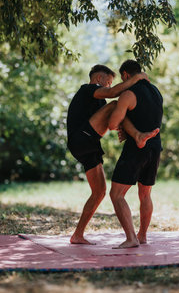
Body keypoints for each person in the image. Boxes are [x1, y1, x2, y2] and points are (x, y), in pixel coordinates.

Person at [67, 64, 159, 245]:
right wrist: (137, 78)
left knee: (99, 192)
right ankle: (137, 135)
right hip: (81, 138)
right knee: (116, 103)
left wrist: (122, 127)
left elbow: (109, 121)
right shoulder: (88, 89)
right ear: (99, 79)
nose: (109, 86)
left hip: (90, 145)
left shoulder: (99, 102)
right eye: (108, 82)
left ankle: (77, 235)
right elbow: (113, 94)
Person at [107, 60, 163, 249]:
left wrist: (122, 120)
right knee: (145, 194)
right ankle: (143, 235)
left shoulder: (128, 94)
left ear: (124, 75)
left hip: (136, 149)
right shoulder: (156, 91)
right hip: (155, 146)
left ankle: (131, 238)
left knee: (116, 194)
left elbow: (113, 124)